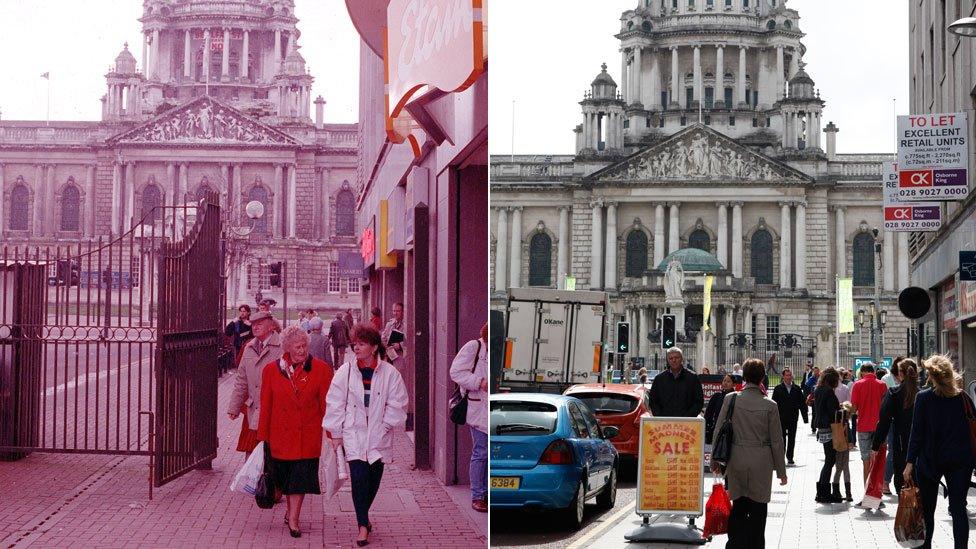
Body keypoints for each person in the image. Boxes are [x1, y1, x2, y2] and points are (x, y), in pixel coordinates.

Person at [323, 324, 408, 547]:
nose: (356, 347)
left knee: (372, 481)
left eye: (361, 343)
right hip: (353, 435)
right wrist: (336, 432)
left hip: (378, 436)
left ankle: (364, 516)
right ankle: (362, 525)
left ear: (373, 347)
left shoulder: (390, 374)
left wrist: (385, 425)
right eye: (355, 343)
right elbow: (335, 402)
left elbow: (398, 403)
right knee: (359, 479)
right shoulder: (346, 371)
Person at [257, 326, 334, 538]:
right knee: (283, 480)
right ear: (287, 348)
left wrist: (330, 433)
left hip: (306, 436)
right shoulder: (271, 371)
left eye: (304, 346)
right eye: (296, 347)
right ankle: (290, 513)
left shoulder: (321, 370)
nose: (301, 350)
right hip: (279, 436)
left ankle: (293, 520)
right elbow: (266, 405)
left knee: (299, 480)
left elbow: (326, 405)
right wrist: (263, 437)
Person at [710, 358, 787, 549]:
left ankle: (735, 544)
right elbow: (777, 441)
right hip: (761, 460)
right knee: (759, 510)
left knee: (739, 506)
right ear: (762, 378)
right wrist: (781, 471)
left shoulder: (731, 399)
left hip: (736, 458)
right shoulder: (770, 405)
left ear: (743, 376)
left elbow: (718, 431)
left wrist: (714, 459)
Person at [905, 355, 976, 549]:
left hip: (930, 460)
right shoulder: (963, 398)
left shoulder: (924, 398)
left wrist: (909, 462)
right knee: (959, 508)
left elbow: (916, 433)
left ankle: (925, 546)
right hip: (960, 461)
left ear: (932, 375)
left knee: (927, 510)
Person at [227, 311, 283, 457]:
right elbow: (241, 380)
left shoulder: (282, 347)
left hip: (275, 409)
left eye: (260, 324)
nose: (255, 327)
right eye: (253, 324)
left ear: (271, 326)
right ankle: (252, 480)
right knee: (251, 453)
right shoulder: (249, 347)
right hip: (253, 410)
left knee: (273, 453)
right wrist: (234, 407)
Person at [449, 322, 488, 513]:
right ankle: (478, 496)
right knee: (481, 452)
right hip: (478, 408)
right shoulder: (475, 346)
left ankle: (488, 493)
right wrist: (479, 382)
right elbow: (455, 372)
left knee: (490, 454)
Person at [872, 359, 918, 495]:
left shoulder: (894, 393)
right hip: (921, 448)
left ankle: (906, 513)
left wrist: (876, 445)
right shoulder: (923, 394)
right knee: (919, 486)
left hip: (901, 444)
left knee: (902, 485)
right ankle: (920, 515)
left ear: (900, 374)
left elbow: (884, 421)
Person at [849, 362, 888, 488]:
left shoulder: (857, 385)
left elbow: (854, 409)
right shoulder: (882, 385)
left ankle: (867, 493)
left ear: (862, 372)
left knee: (866, 461)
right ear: (874, 372)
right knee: (878, 461)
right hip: (880, 428)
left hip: (863, 426)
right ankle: (877, 494)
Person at [812, 367, 842, 503]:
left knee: (828, 459)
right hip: (830, 428)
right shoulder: (829, 392)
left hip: (822, 428)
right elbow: (832, 412)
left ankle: (822, 491)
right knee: (830, 460)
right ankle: (823, 493)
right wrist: (841, 410)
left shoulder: (818, 389)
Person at [647, 347, 704, 417]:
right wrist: (660, 417)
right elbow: (653, 401)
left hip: (687, 423)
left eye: (677, 357)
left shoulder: (693, 378)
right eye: (671, 358)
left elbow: (698, 401)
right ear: (667, 360)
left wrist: (688, 417)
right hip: (664, 423)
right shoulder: (659, 379)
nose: (674, 360)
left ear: (682, 359)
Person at [771, 369, 808, 465]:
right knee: (781, 438)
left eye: (790, 375)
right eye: (786, 375)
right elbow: (773, 404)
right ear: (783, 377)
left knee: (792, 438)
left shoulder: (797, 388)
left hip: (793, 417)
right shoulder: (778, 388)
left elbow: (802, 403)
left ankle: (790, 457)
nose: (788, 377)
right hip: (781, 418)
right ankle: (781, 457)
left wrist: (805, 418)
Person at [704, 374, 735, 443]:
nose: (725, 383)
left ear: (733, 384)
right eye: (724, 381)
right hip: (716, 430)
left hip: (731, 433)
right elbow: (708, 413)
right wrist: (708, 427)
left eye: (728, 381)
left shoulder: (736, 397)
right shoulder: (716, 396)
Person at [804, 366, 821, 433]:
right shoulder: (812, 378)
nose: (816, 372)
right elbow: (807, 385)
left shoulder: (821, 377)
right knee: (814, 414)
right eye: (815, 371)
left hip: (820, 397)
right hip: (814, 398)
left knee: (819, 413)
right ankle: (813, 428)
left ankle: (819, 426)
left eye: (817, 371)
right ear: (813, 371)